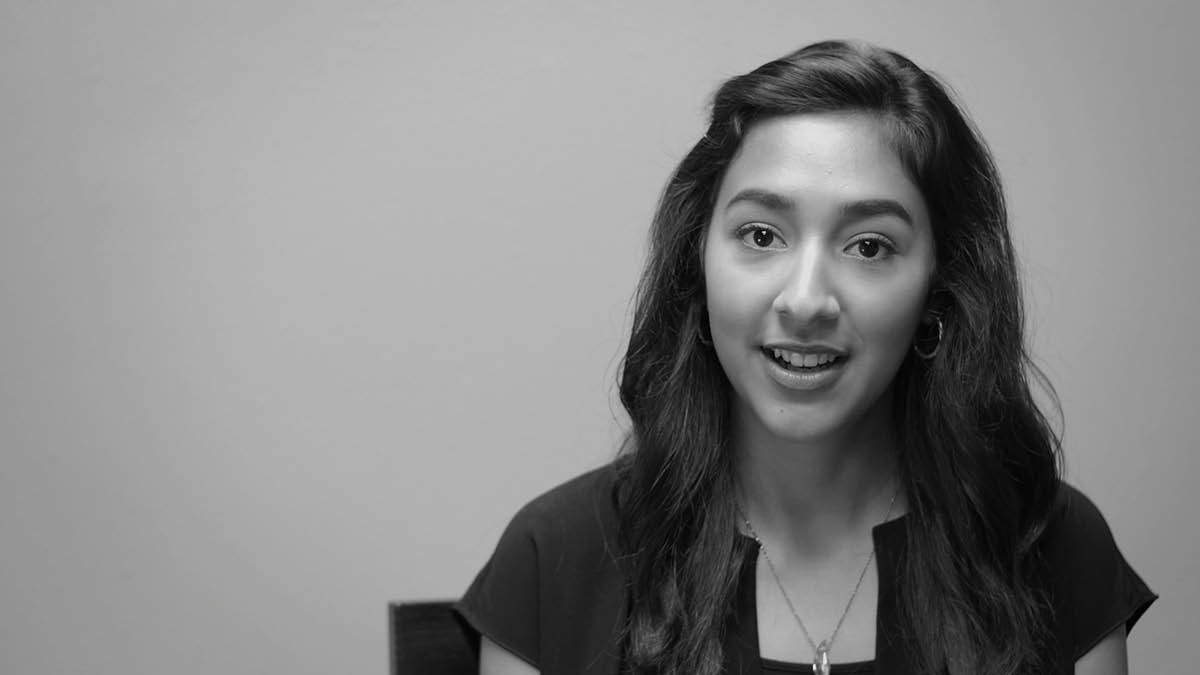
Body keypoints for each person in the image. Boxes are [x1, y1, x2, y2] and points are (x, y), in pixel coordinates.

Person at [454, 40, 1156, 675]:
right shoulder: (554, 559)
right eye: (761, 235)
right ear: (697, 263)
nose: (805, 299)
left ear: (938, 289)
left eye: (869, 246)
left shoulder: (1053, 547)